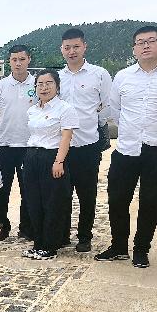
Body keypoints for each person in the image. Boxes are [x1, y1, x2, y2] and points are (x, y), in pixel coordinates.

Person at [95, 26, 157, 268]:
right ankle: (119, 246)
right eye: (140, 42)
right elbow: (115, 110)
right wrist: (131, 131)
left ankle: (141, 249)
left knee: (150, 200)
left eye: (151, 41)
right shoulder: (123, 76)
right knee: (117, 199)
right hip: (126, 148)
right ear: (134, 49)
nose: (146, 46)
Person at [58, 28, 113, 252]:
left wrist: (93, 123)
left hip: (88, 145)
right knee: (62, 193)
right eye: (67, 47)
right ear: (62, 49)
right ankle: (62, 235)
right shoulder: (57, 77)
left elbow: (107, 106)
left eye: (76, 47)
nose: (72, 51)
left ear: (84, 47)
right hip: (61, 147)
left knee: (87, 194)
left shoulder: (99, 74)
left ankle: (84, 236)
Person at [20, 70, 77, 260]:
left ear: (57, 86)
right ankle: (38, 243)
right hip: (32, 156)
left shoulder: (65, 109)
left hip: (52, 157)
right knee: (33, 202)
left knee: (53, 203)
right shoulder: (32, 110)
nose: (44, 88)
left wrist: (59, 161)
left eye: (49, 83)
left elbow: (66, 137)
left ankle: (50, 246)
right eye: (40, 84)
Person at [0, 45, 36, 242]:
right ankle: (2, 226)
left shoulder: (37, 84)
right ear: (9, 61)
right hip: (5, 145)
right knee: (2, 188)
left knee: (29, 189)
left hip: (30, 145)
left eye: (22, 59)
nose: (18, 63)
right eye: (14, 60)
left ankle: (27, 227)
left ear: (29, 60)